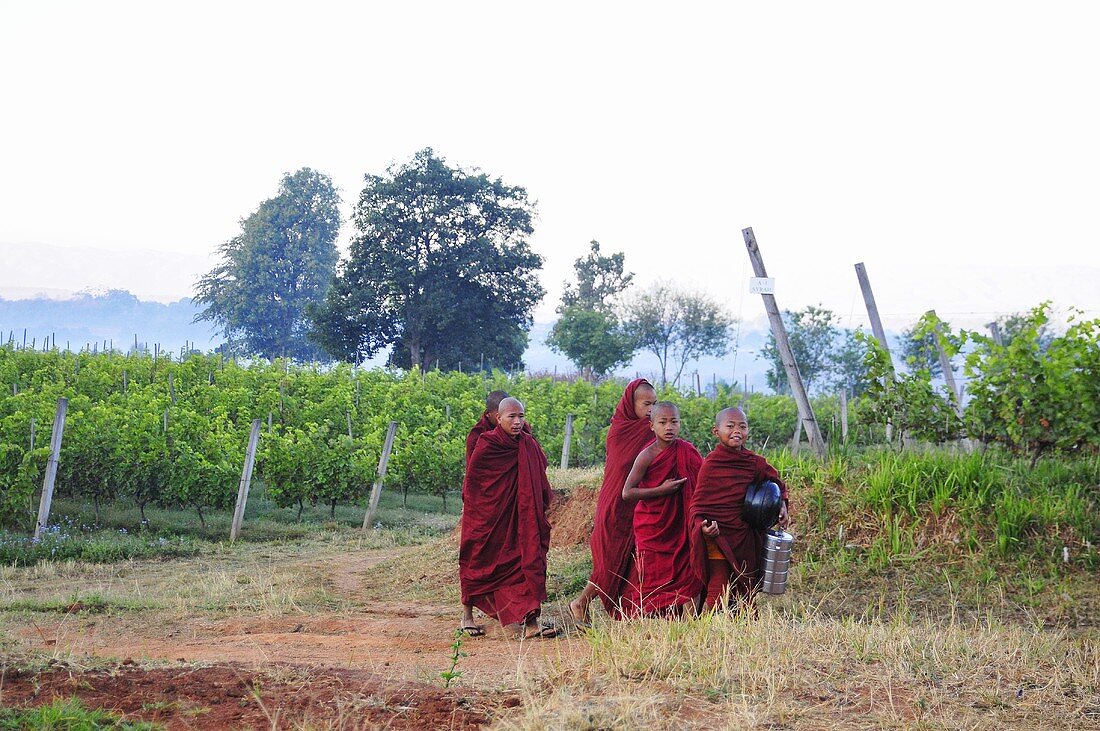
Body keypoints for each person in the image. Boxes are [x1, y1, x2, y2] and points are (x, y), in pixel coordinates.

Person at [459, 397, 557, 639]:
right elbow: (473, 485)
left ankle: (532, 622)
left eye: (521, 416)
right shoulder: (486, 444)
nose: (517, 422)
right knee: (476, 560)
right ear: (498, 419)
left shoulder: (528, 445)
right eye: (511, 417)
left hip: (521, 518)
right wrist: (482, 512)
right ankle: (467, 615)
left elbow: (541, 482)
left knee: (528, 560)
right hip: (487, 518)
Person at [569, 378, 659, 624]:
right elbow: (622, 467)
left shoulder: (654, 428)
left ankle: (636, 611)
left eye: (655, 404)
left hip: (639, 505)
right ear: (631, 404)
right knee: (610, 561)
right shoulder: (621, 430)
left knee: (633, 560)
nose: (651, 410)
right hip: (616, 505)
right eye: (646, 404)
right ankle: (580, 602)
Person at [688, 407, 790, 611]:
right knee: (719, 583)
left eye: (742, 426)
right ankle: (704, 630)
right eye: (730, 426)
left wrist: (782, 506)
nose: (737, 430)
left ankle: (739, 629)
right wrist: (703, 528)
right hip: (717, 535)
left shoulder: (754, 462)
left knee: (744, 584)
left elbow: (776, 483)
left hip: (744, 536)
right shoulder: (711, 465)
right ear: (716, 432)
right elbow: (698, 504)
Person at [620, 401, 703, 617]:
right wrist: (660, 490)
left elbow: (703, 483)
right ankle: (642, 619)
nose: (669, 427)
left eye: (674, 422)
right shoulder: (646, 456)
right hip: (653, 526)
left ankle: (691, 623)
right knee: (650, 575)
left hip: (680, 524)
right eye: (663, 422)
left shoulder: (687, 451)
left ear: (680, 424)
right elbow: (627, 493)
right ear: (652, 426)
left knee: (688, 572)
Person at [458, 389, 510, 636]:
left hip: (509, 508)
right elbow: (475, 476)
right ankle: (467, 614)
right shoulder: (477, 437)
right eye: (501, 415)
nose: (510, 420)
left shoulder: (518, 432)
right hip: (482, 508)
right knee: (475, 556)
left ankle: (511, 611)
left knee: (510, 557)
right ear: (491, 415)